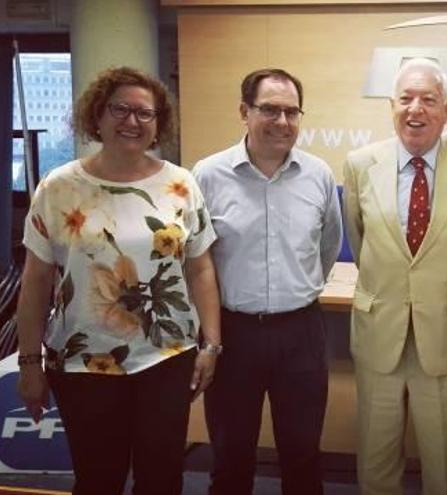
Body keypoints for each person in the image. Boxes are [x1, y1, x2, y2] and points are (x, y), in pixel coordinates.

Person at [15, 66, 221, 495]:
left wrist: (211, 345)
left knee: (162, 478)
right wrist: (29, 363)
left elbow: (200, 267)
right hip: (82, 359)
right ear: (97, 115)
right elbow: (35, 282)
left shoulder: (181, 184)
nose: (132, 121)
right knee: (98, 479)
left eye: (145, 114)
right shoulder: (59, 187)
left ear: (158, 124)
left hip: (166, 356)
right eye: (121, 109)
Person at [342, 58, 447, 495]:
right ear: (391, 106)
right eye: (406, 99)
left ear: (446, 110)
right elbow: (359, 240)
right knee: (376, 456)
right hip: (379, 330)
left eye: (429, 100)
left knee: (443, 461)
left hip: (443, 334)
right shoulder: (359, 164)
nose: (416, 109)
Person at [193, 68, 342, 495]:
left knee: (302, 452)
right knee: (231, 453)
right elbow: (195, 259)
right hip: (232, 332)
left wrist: (299, 287)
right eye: (270, 110)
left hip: (301, 331)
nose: (282, 122)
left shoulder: (318, 175)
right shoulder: (207, 175)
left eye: (291, 112)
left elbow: (327, 246)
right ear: (244, 112)